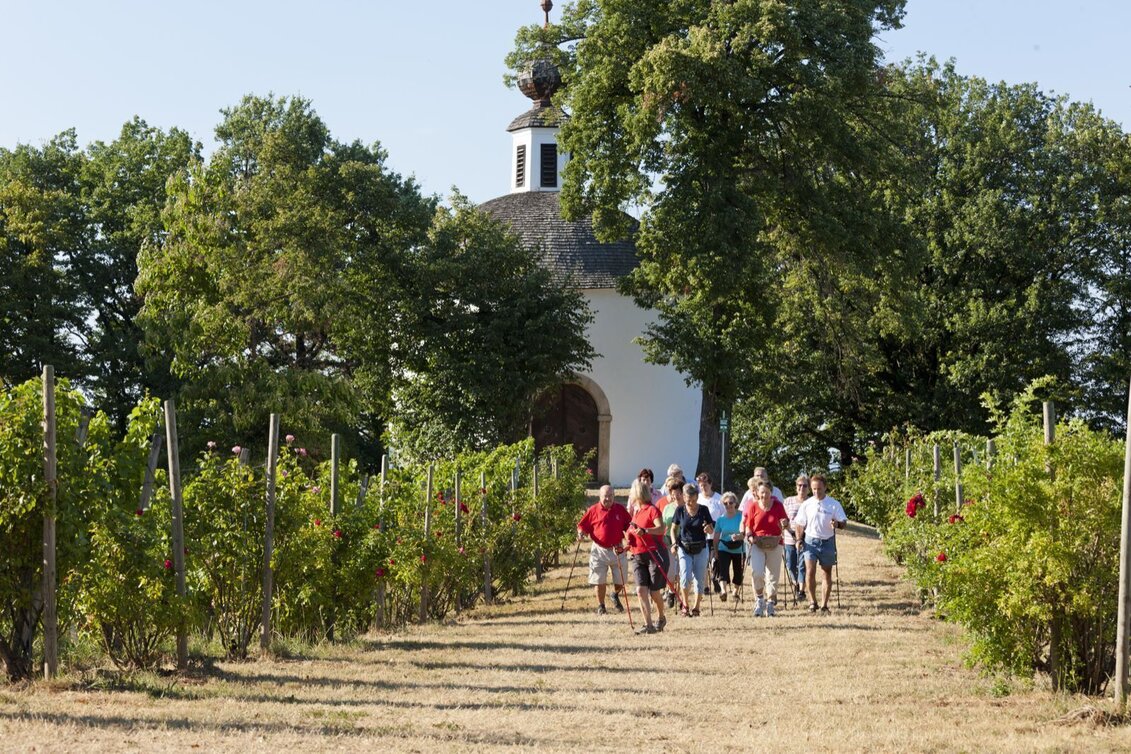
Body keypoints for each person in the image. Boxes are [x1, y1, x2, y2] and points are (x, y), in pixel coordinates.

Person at [792, 472, 848, 613]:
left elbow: (843, 522)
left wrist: (837, 524)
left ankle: (824, 605)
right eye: (814, 489)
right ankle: (813, 602)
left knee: (826, 573)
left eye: (819, 489)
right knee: (810, 571)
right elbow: (799, 524)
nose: (816, 492)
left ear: (825, 487)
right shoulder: (807, 504)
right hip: (810, 541)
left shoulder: (833, 504)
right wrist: (798, 539)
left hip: (827, 541)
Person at [577, 484, 632, 615]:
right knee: (599, 581)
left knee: (621, 581)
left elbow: (629, 526)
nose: (608, 499)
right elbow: (582, 525)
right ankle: (601, 606)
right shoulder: (593, 510)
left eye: (610, 496)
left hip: (617, 549)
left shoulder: (620, 509)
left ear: (614, 496)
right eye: (605, 496)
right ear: (600, 496)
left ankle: (615, 594)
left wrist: (630, 538)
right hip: (599, 550)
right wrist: (581, 533)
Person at [626, 478, 670, 634]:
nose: (630, 496)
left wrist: (646, 531)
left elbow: (661, 529)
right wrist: (625, 547)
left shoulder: (652, 510)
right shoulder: (636, 512)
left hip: (654, 554)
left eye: (631, 493)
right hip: (637, 555)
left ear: (637, 494)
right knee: (640, 590)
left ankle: (661, 617)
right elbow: (633, 535)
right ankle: (648, 625)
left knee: (654, 591)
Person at [742, 480, 789, 617]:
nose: (764, 495)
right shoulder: (753, 506)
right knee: (757, 572)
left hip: (775, 542)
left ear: (771, 492)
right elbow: (748, 526)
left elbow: (786, 522)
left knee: (773, 575)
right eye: (762, 492)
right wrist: (749, 536)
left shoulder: (778, 505)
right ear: (757, 493)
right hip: (758, 542)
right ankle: (759, 599)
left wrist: (785, 523)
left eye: (767, 492)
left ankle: (770, 603)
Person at [670, 482, 714, 616]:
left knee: (699, 579)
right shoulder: (680, 510)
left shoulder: (704, 510)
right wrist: (674, 543)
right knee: (685, 577)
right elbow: (673, 529)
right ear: (684, 497)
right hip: (684, 548)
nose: (692, 503)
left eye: (694, 500)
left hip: (701, 548)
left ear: (697, 497)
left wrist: (708, 529)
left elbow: (711, 529)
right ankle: (685, 605)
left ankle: (696, 607)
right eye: (689, 500)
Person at [782, 474, 811, 601]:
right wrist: (785, 526)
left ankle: (801, 590)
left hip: (806, 538)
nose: (802, 488)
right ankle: (795, 583)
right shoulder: (788, 501)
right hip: (789, 537)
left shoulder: (811, 502)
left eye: (805, 485)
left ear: (809, 488)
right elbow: (782, 517)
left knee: (803, 565)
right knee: (790, 564)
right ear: (796, 487)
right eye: (799, 485)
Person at [695, 472, 725, 595]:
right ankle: (706, 586)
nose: (703, 488)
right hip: (701, 536)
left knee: (714, 561)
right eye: (701, 485)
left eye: (705, 485)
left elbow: (723, 517)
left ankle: (715, 577)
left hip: (716, 536)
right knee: (704, 562)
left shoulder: (719, 499)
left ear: (711, 484)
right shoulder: (697, 498)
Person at [712, 491, 745, 601]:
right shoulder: (720, 519)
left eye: (731, 502)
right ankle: (723, 591)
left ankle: (735, 592)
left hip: (739, 548)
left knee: (738, 572)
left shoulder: (741, 516)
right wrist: (715, 552)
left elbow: (745, 533)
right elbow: (716, 537)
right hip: (723, 548)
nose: (728, 505)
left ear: (735, 503)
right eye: (725, 503)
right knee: (723, 570)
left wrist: (739, 536)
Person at [658, 476, 685, 607]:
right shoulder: (668, 508)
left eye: (679, 493)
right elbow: (663, 524)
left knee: (681, 571)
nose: (676, 496)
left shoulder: (687, 507)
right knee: (671, 572)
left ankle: (679, 596)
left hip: (684, 540)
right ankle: (671, 590)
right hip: (668, 541)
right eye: (673, 494)